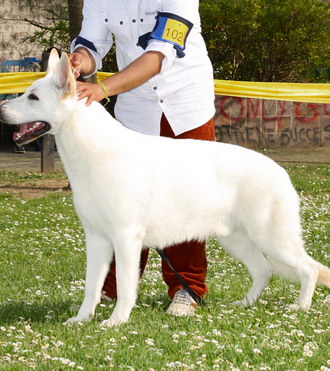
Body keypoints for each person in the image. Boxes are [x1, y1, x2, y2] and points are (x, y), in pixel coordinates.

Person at [69, 0, 216, 316]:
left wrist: (101, 89)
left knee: (187, 198)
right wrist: (79, 61)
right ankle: (111, 290)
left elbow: (156, 58)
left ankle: (186, 288)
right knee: (120, 201)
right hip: (136, 110)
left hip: (186, 105)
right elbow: (91, 45)